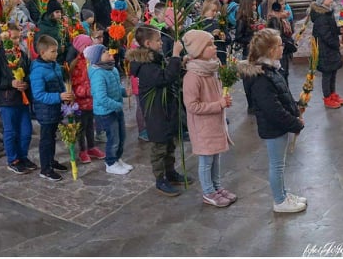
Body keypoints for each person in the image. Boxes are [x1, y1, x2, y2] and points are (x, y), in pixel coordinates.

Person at [238, 29, 306, 213]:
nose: (282, 47)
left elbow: (281, 95)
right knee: (277, 165)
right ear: (269, 50)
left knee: (280, 163)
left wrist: (296, 106)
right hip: (273, 127)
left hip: (279, 126)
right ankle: (279, 201)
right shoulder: (261, 77)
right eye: (279, 45)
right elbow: (273, 109)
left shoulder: (271, 69)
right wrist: (295, 123)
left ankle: (283, 194)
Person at [128, 26, 188, 196]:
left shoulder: (154, 58)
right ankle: (160, 179)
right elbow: (164, 78)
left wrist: (179, 63)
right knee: (160, 148)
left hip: (166, 110)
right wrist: (176, 55)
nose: (161, 42)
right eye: (158, 40)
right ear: (148, 43)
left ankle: (171, 173)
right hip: (156, 113)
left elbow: (168, 72)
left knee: (170, 144)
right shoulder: (144, 66)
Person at [182, 30, 236, 208]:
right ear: (198, 50)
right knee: (206, 161)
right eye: (210, 45)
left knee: (216, 157)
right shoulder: (193, 76)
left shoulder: (211, 69)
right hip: (203, 126)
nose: (214, 47)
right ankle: (208, 191)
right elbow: (192, 106)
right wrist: (218, 104)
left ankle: (217, 187)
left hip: (215, 123)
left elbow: (216, 94)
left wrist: (224, 98)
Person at [0, 24, 37, 174]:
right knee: (11, 131)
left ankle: (23, 156)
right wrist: (11, 83)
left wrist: (26, 82)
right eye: (14, 38)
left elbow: (28, 72)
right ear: (4, 37)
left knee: (26, 131)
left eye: (18, 37)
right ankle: (13, 159)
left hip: (23, 98)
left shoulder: (21, 53)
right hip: (7, 99)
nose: (17, 41)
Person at [30, 34, 75, 182]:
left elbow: (60, 83)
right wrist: (59, 97)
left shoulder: (54, 64)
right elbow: (39, 94)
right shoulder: (38, 70)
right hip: (46, 110)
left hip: (56, 108)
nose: (56, 54)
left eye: (56, 51)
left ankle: (51, 161)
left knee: (52, 137)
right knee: (46, 139)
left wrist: (66, 96)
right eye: (53, 51)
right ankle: (45, 168)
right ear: (42, 53)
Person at [85, 44, 132, 175]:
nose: (108, 52)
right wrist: (117, 105)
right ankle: (110, 163)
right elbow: (101, 97)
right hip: (106, 112)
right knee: (114, 138)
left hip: (116, 108)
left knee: (122, 136)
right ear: (96, 58)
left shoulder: (112, 69)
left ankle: (117, 159)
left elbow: (116, 88)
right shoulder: (98, 74)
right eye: (104, 52)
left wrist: (124, 92)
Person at [69, 35, 105, 164]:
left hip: (92, 102)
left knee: (91, 125)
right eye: (87, 46)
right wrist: (87, 91)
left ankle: (91, 147)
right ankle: (82, 150)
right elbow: (75, 84)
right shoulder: (76, 64)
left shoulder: (94, 61)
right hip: (80, 102)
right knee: (81, 127)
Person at [310, 0, 343, 109]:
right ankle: (327, 97)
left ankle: (333, 94)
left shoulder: (327, 12)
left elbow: (332, 30)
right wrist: (337, 44)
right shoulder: (320, 18)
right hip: (325, 51)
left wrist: (339, 30)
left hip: (330, 50)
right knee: (327, 75)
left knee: (333, 72)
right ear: (321, 0)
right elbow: (326, 36)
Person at [235, 0, 258, 113]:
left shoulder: (253, 16)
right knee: (248, 80)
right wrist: (252, 39)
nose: (255, 7)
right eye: (253, 5)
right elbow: (238, 37)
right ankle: (251, 105)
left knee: (256, 79)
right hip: (247, 52)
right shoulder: (242, 20)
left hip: (255, 51)